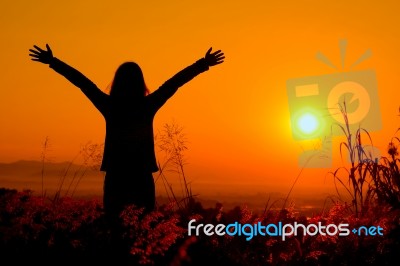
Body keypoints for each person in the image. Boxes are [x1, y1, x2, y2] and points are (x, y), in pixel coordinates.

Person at [29, 44, 225, 222]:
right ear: (141, 83)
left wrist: (53, 62)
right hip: (141, 177)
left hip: (117, 176)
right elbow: (174, 83)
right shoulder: (147, 105)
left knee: (115, 227)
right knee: (142, 227)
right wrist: (203, 64)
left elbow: (82, 82)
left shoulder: (110, 105)